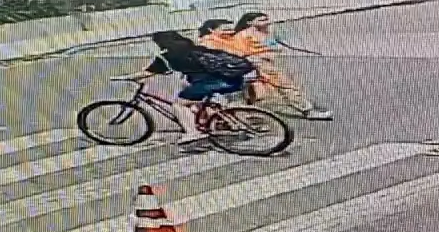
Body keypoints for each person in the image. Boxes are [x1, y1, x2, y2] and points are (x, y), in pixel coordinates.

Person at [120, 31, 255, 144]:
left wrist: (125, 77)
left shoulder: (168, 56)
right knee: (194, 100)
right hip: (234, 80)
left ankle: (192, 132)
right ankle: (217, 121)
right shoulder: (197, 49)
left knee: (179, 104)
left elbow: (147, 72)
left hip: (210, 83)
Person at [233, 12, 332, 120]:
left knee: (253, 89)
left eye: (266, 19)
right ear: (250, 22)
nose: (266, 22)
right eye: (261, 20)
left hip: (270, 62)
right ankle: (307, 110)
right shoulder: (242, 35)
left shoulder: (266, 32)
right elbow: (240, 52)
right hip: (258, 63)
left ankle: (251, 112)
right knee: (285, 86)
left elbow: (273, 45)